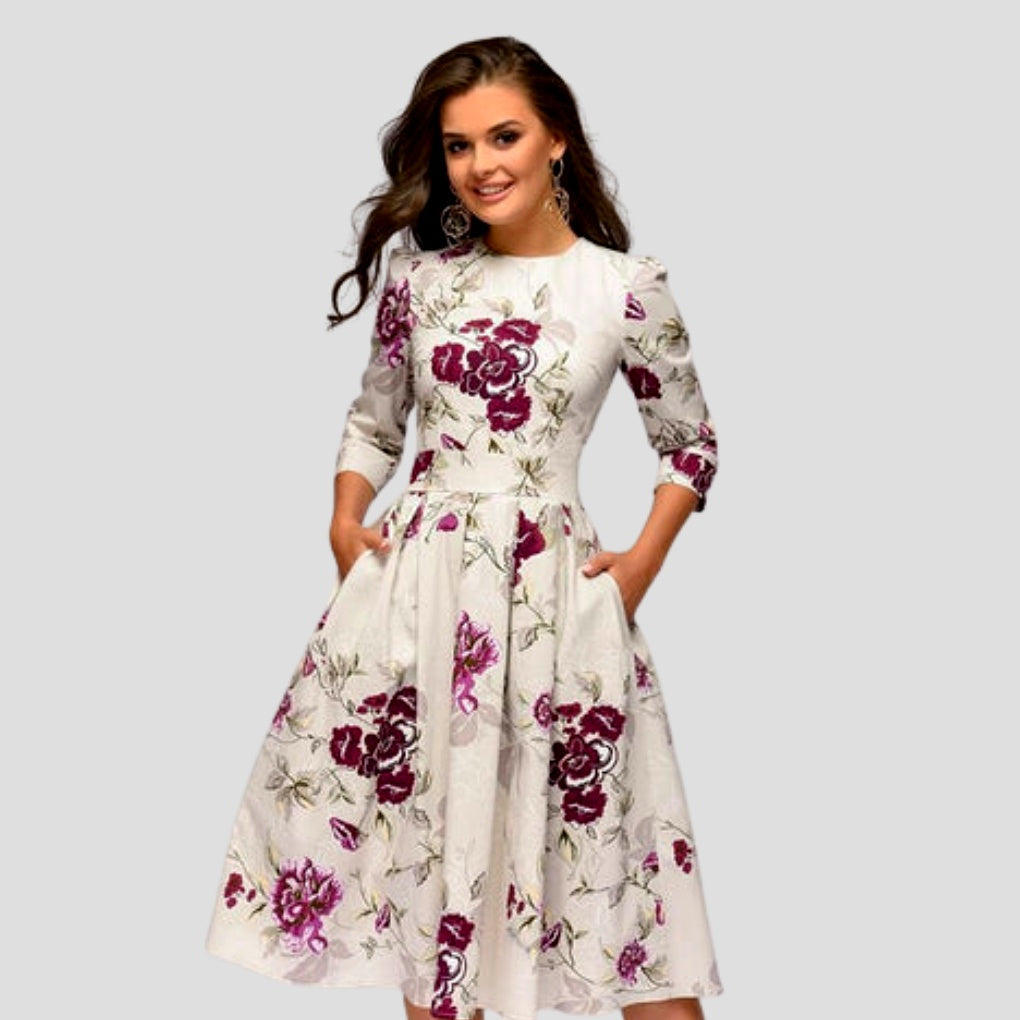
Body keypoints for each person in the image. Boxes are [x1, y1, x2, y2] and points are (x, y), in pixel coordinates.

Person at [206, 36, 723, 1020]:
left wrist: (638, 568)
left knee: (625, 909)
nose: (481, 164)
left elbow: (690, 444)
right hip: (423, 606)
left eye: (504, 136)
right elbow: (374, 424)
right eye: (457, 146)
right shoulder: (419, 282)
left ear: (557, 139)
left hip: (560, 608)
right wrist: (344, 519)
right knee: (434, 898)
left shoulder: (623, 285)